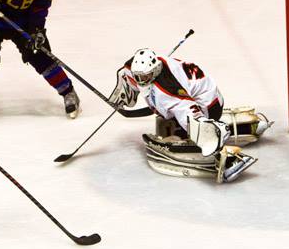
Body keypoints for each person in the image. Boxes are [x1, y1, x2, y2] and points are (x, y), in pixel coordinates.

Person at [109, 48, 271, 183]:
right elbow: (128, 70)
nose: (140, 80)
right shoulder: (147, 67)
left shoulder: (167, 93)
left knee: (176, 127)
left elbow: (187, 111)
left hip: (209, 107)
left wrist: (206, 132)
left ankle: (228, 158)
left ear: (156, 70)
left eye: (144, 77)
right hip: (209, 94)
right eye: (138, 77)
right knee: (165, 117)